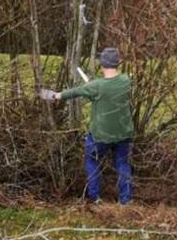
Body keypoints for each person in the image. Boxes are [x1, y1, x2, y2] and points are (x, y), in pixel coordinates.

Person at [48, 47, 134, 204]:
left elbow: (76, 92)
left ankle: (94, 197)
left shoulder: (96, 86)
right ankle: (125, 200)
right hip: (123, 133)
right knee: (122, 163)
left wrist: (57, 95)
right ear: (117, 64)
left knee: (91, 160)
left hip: (100, 135)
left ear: (102, 64)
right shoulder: (126, 81)